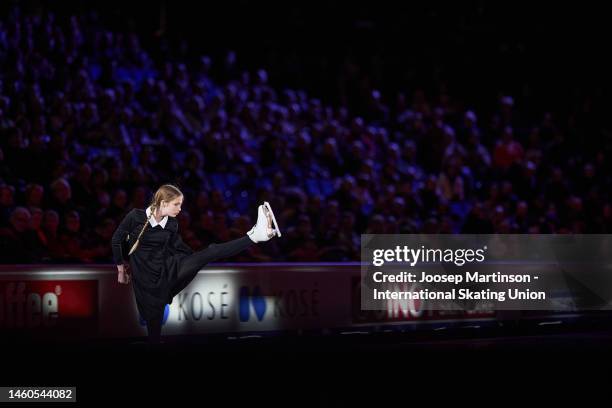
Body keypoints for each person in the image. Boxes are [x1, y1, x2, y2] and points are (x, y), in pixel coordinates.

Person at [110, 184, 281, 343]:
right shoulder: (135, 217)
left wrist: (196, 259)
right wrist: (120, 269)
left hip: (168, 271)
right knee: (153, 330)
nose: (180, 209)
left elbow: (179, 248)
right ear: (163, 203)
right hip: (146, 280)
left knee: (211, 251)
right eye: (176, 204)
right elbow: (116, 240)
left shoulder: (171, 224)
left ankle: (255, 236)